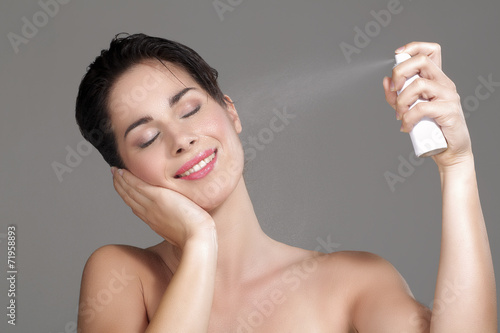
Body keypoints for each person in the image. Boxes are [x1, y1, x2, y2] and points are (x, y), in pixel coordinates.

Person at [75, 33, 496, 332]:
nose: (181, 139)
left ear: (231, 113)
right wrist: (201, 245)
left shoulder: (354, 281)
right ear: (125, 176)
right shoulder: (123, 275)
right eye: (147, 138)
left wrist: (456, 166)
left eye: (189, 110)